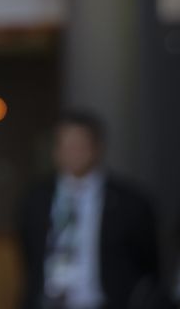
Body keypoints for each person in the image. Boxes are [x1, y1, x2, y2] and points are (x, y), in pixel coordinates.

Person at [18, 110, 162, 309]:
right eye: (66, 144)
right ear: (55, 150)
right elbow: (28, 251)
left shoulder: (130, 202)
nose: (72, 152)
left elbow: (148, 262)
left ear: (97, 148)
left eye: (79, 145)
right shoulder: (36, 199)